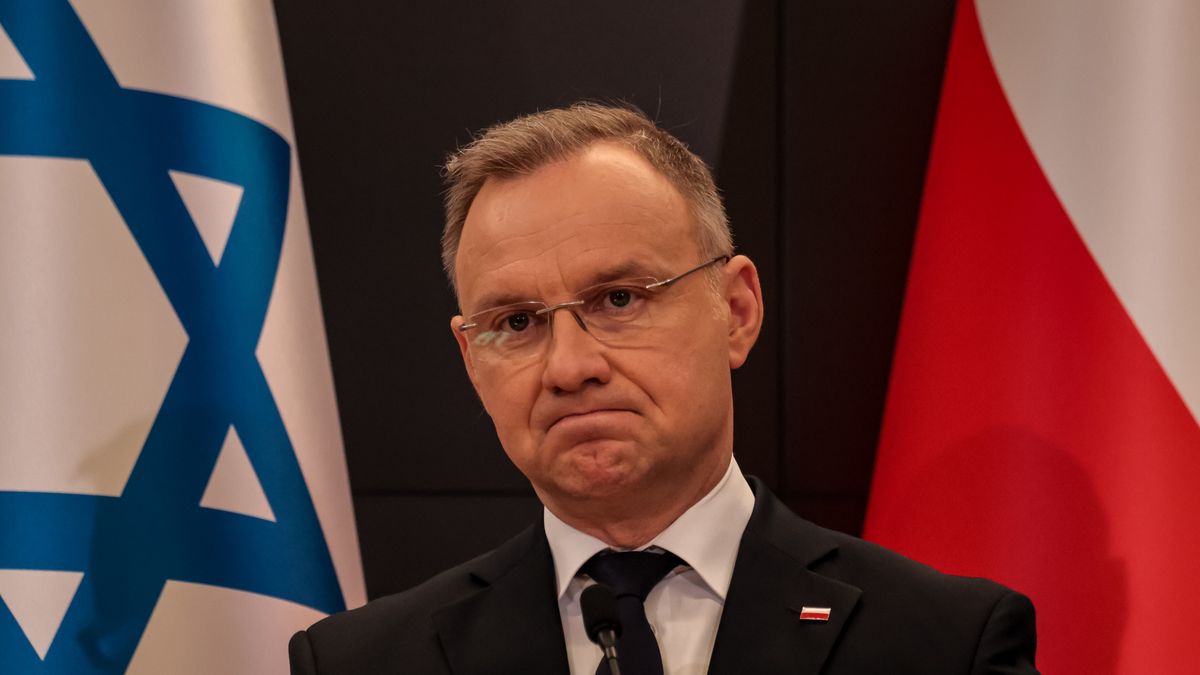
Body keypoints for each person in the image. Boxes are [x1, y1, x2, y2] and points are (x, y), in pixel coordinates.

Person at [289, 103, 1038, 674]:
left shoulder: (943, 644)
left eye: (618, 298)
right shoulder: (361, 662)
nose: (568, 366)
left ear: (736, 311)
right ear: (470, 361)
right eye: (517, 321)